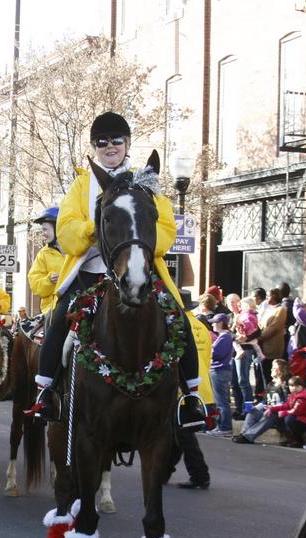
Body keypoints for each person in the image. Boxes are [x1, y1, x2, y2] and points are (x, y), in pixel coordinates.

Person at [26, 111, 207, 428]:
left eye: (116, 140)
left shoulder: (145, 181)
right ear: (95, 147)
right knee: (58, 319)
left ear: (127, 143)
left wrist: (142, 243)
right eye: (102, 142)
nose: (110, 147)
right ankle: (46, 393)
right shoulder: (82, 185)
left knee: (178, 318)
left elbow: (165, 228)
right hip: (90, 272)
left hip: (136, 268)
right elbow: (66, 232)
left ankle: (190, 397)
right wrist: (92, 231)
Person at [233, 376, 306, 446]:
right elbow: (270, 401)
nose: (293, 388)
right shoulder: (272, 385)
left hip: (296, 419)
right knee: (253, 413)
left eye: (296, 386)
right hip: (278, 412)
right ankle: (244, 434)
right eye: (291, 386)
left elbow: (294, 410)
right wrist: (267, 408)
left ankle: (248, 436)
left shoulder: (296, 393)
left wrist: (278, 411)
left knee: (272, 416)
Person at [26, 207, 64, 318]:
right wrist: (49, 280)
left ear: (58, 227)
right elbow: (34, 284)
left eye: (45, 229)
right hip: (52, 311)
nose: (43, 234)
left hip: (78, 306)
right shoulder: (43, 254)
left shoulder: (76, 251)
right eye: (42, 230)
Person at [232, 296, 263, 404]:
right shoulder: (237, 315)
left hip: (245, 348)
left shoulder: (248, 316)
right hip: (236, 349)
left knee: (243, 380)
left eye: (235, 302)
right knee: (236, 382)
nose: (237, 305)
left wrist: (245, 336)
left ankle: (248, 408)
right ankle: (240, 408)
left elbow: (257, 331)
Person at [207, 313, 234, 436]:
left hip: (219, 370)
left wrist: (210, 350)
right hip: (219, 370)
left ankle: (225, 427)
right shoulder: (223, 337)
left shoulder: (225, 337)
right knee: (220, 401)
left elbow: (217, 353)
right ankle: (221, 426)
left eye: (215, 322)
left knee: (221, 401)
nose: (212, 324)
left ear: (221, 323)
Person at [258, 288, 288, 390]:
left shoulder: (281, 310)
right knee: (263, 372)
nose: (266, 298)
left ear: (274, 297)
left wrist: (260, 337)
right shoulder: (268, 309)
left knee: (270, 372)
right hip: (262, 347)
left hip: (272, 346)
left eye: (268, 296)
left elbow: (274, 327)